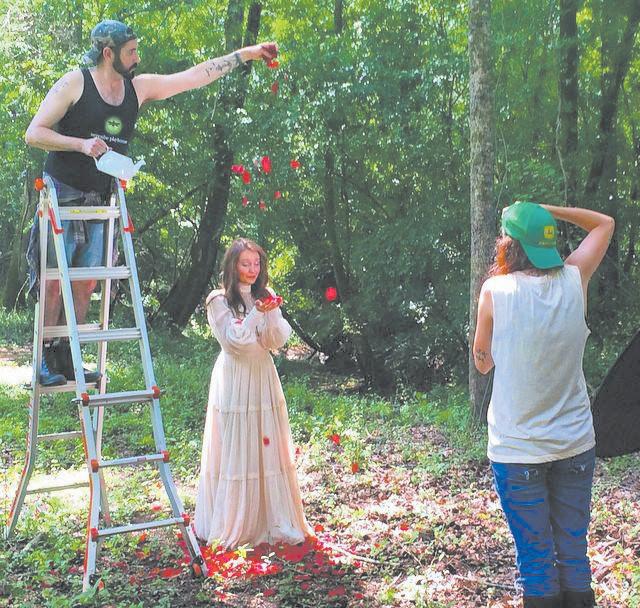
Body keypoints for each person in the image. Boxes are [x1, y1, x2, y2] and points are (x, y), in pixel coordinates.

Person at [25, 19, 277, 386]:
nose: (137, 58)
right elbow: (34, 133)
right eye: (131, 52)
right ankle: (45, 356)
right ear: (108, 53)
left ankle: (68, 354)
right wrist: (80, 144)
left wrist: (248, 54)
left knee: (86, 282)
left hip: (102, 198)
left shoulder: (137, 89)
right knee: (53, 282)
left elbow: (194, 76)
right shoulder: (75, 83)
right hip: (62, 191)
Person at [473, 201, 615, 608]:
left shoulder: (495, 291)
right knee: (573, 552)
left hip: (517, 449)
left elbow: (483, 363)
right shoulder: (575, 278)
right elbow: (604, 224)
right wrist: (547, 210)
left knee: (536, 561)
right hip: (574, 443)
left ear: (510, 246)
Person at [194, 238, 312, 548]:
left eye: (256, 263)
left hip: (262, 374)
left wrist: (269, 312)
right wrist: (256, 314)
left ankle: (268, 517)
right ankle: (236, 520)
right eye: (245, 263)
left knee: (265, 441)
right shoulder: (218, 300)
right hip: (234, 377)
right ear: (232, 266)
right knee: (237, 442)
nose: (252, 269)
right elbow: (235, 342)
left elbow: (274, 341)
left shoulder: (265, 294)